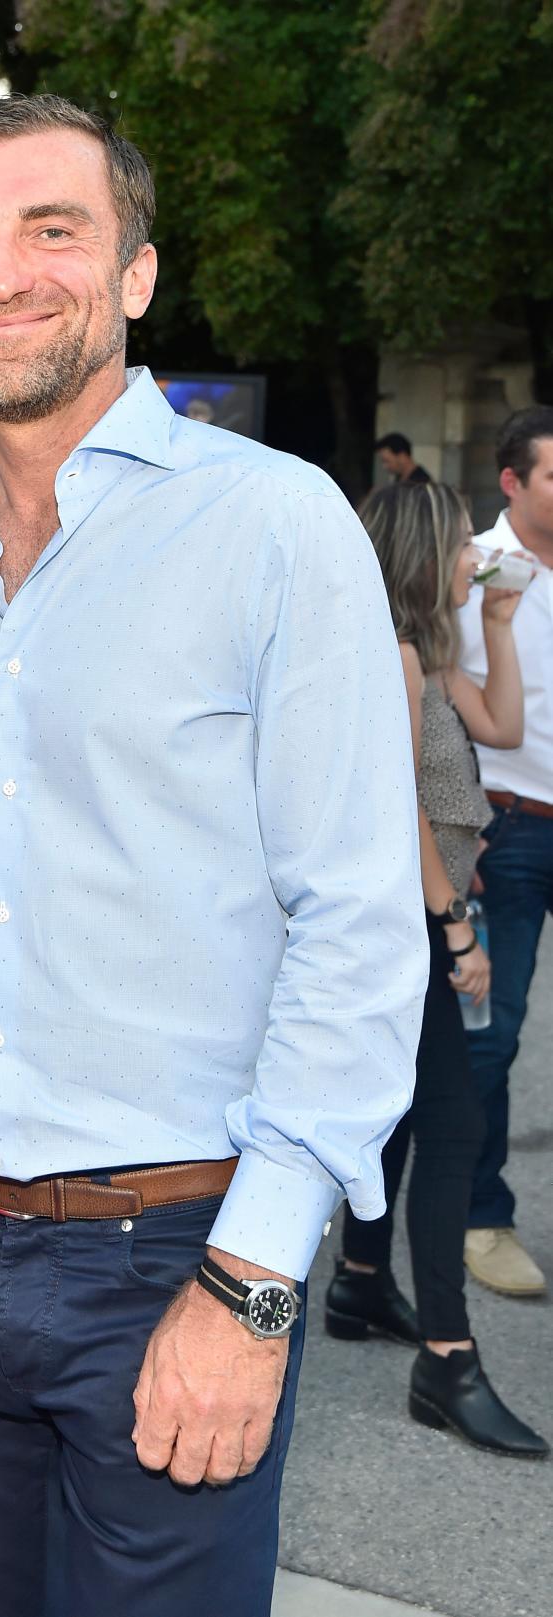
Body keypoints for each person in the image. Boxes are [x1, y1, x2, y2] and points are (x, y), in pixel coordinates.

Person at [0, 95, 427, 1617]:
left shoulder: (276, 528)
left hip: (169, 1248)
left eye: (54, 231)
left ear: (135, 275)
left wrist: (251, 1282)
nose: (2, 272)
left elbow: (359, 928)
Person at [324, 482, 545, 1457]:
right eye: (463, 549)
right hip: (407, 927)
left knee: (411, 1112)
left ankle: (362, 1283)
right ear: (422, 554)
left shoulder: (428, 649)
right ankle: (447, 1360)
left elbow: (502, 728)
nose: (474, 559)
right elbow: (399, 804)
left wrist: (500, 620)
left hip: (421, 920)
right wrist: (456, 930)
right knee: (453, 1128)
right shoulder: (390, 655)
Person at [457, 404, 553, 1295]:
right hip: (509, 824)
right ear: (514, 482)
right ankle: (481, 1216)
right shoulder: (480, 569)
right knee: (498, 1032)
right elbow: (434, 711)